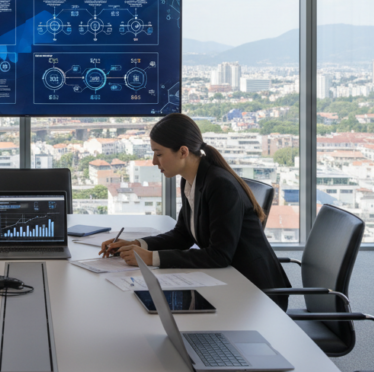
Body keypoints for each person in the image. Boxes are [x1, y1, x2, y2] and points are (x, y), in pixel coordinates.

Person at [101, 113, 291, 309]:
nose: (154, 162)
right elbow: (182, 235)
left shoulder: (219, 184)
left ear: (183, 152)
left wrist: (151, 258)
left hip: (255, 292)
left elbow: (219, 255)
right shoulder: (192, 179)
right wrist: (136, 244)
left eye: (158, 154)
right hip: (227, 280)